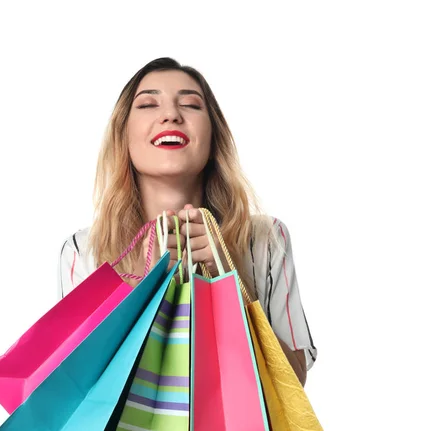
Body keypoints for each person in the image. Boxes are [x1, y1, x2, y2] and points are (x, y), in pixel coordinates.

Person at [58, 57, 317, 386]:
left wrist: (231, 280)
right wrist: (147, 290)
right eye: (149, 103)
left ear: (213, 138)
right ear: (123, 136)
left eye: (191, 104)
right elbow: (76, 390)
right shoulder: (83, 252)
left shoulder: (265, 240)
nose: (170, 115)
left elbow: (293, 383)